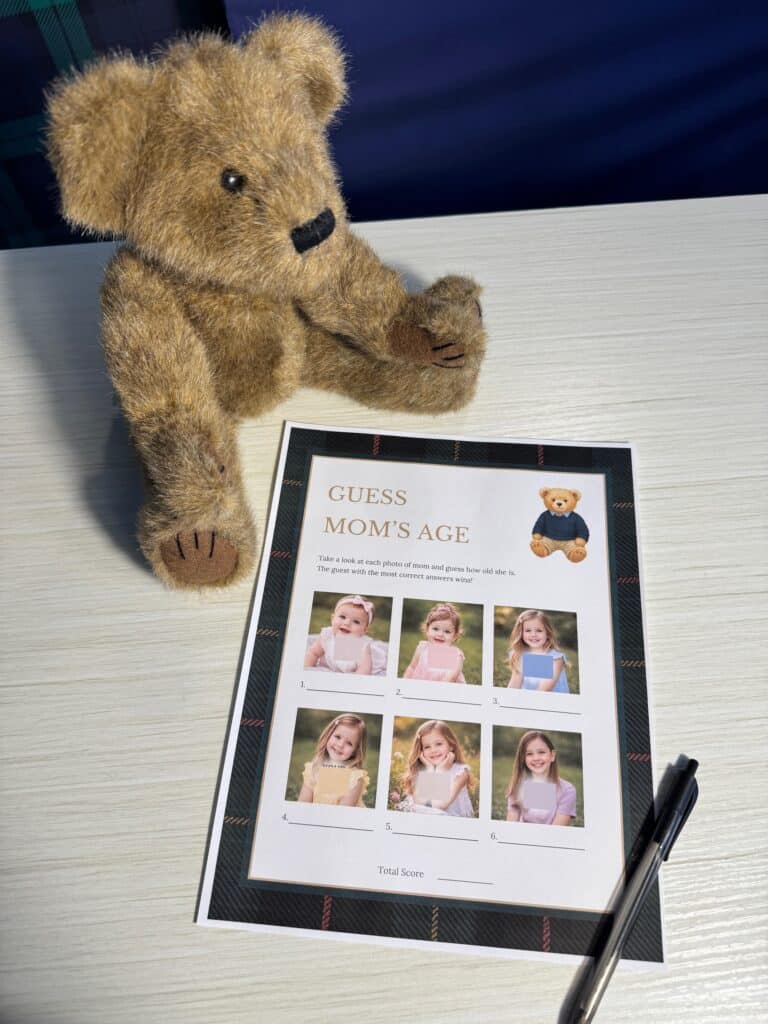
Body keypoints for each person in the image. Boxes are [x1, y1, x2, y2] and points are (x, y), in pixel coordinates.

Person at [391, 720, 475, 817]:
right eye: (427, 747)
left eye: (439, 744)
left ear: (451, 745)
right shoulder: (421, 770)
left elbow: (439, 805)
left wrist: (441, 771)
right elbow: (419, 803)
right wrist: (430, 770)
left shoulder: (461, 772)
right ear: (421, 751)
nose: (433, 750)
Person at [505, 731, 577, 825]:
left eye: (541, 752)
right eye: (529, 754)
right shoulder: (518, 786)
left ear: (552, 755)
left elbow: (556, 834)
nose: (536, 758)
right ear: (523, 759)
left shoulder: (567, 790)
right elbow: (511, 827)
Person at [298, 714, 369, 806]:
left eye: (349, 743)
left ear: (356, 751)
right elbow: (303, 804)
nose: (340, 745)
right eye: (338, 737)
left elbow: (342, 815)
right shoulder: (315, 767)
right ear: (329, 734)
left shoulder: (355, 778)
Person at [304, 595, 375, 674]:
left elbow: (364, 669)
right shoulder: (327, 635)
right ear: (332, 619)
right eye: (342, 617)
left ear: (365, 630)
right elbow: (313, 653)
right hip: (327, 669)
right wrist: (307, 669)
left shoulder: (362, 645)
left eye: (356, 622)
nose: (347, 623)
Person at [507, 609, 569, 692]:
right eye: (528, 630)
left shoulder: (555, 659)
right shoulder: (520, 655)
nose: (533, 635)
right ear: (521, 633)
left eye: (539, 630)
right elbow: (514, 684)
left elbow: (544, 690)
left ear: (547, 633)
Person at [403, 603, 466, 683]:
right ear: (427, 629)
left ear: (454, 636)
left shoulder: (455, 655)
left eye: (447, 631)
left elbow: (450, 678)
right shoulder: (422, 648)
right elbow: (412, 667)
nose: (440, 634)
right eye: (435, 629)